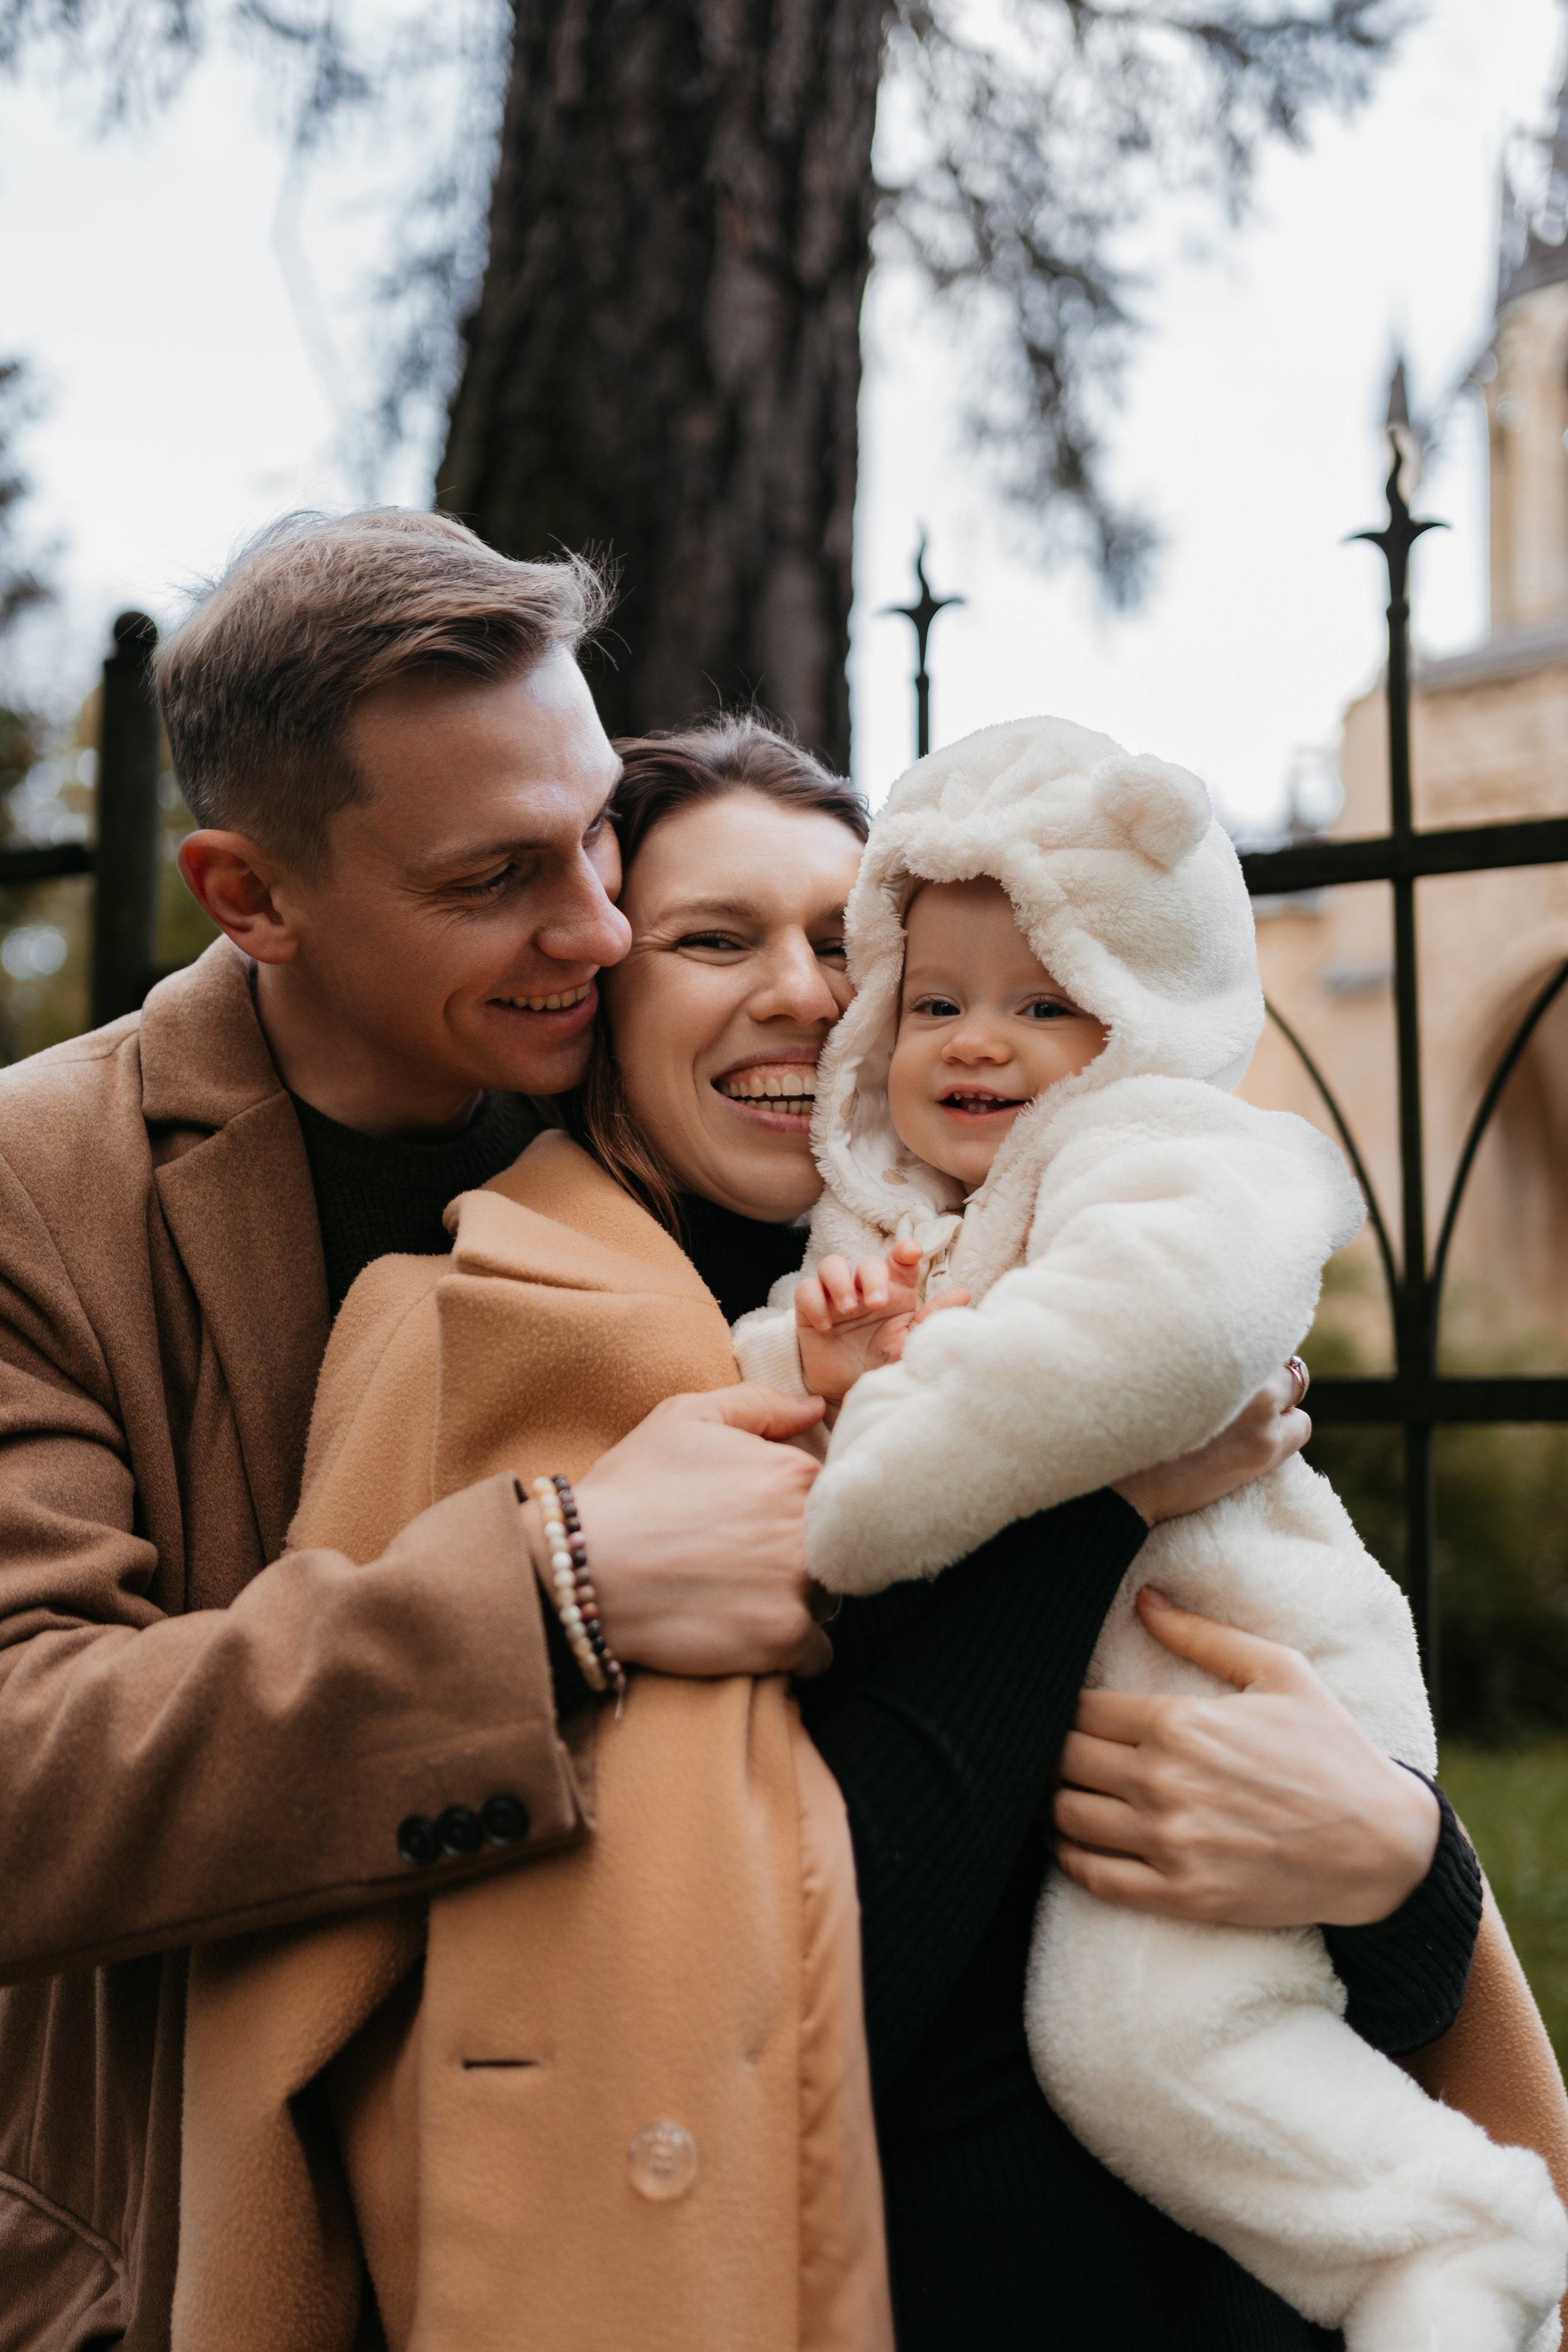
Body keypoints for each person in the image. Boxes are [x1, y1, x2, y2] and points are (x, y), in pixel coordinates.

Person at [0, 511, 1341, 2350]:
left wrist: (1402, 1871)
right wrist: (558, 1586)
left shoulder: (912, 1224)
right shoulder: (92, 1198)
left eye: (596, 845)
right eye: (501, 880)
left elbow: (1255, 1684)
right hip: (260, 2191)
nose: (599, 924)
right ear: (251, 898)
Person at [178, 714, 1510, 2351]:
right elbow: (760, 2006)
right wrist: (1087, 1505)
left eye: (841, 937)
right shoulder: (488, 1339)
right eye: (715, 938)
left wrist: (1396, 1871)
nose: (807, 992)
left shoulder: (1061, 1286)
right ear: (602, 993)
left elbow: (1334, 1942)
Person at [731, 715, 1568, 2348]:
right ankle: (1444, 2247)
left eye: (1051, 1003)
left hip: (1233, 1679)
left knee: (1165, 2044)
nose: (982, 1042)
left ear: (1148, 1017)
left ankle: (1452, 2256)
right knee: (1144, 2049)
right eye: (938, 1001)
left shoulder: (1167, 1152)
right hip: (1104, 1811)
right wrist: (822, 1368)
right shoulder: (899, 1225)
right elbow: (785, 1408)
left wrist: (881, 1450)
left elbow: (1157, 1337)